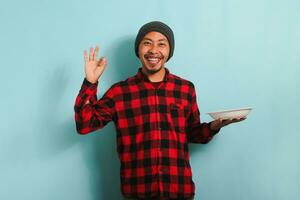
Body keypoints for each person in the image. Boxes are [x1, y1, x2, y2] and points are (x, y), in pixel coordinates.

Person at [74, 21, 246, 200]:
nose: (154, 50)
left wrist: (213, 126)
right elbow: (84, 125)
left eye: (161, 43)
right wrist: (90, 82)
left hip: (179, 190)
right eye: (147, 43)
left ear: (169, 51)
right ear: (138, 49)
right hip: (137, 191)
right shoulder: (119, 92)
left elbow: (192, 134)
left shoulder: (185, 89)